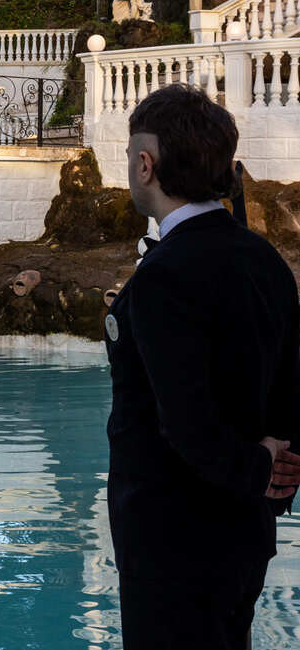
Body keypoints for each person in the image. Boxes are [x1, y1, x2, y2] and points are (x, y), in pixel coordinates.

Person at [106, 83, 300, 650]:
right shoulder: (267, 260)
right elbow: (289, 385)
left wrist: (256, 465)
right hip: (247, 535)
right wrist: (276, 474)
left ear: (147, 164)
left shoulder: (165, 275)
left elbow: (187, 424)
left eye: (131, 155)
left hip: (172, 544)